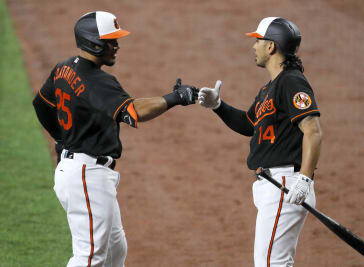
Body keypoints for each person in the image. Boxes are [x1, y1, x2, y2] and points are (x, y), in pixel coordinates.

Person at [32, 11, 198, 267]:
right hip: (86, 175)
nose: (117, 45)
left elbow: (41, 105)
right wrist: (175, 98)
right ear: (94, 42)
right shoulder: (97, 80)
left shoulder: (64, 68)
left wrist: (62, 138)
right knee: (90, 257)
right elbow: (134, 111)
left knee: (114, 248)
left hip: (82, 171)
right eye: (111, 40)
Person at [198, 17, 322, 267]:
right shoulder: (271, 88)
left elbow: (312, 130)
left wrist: (305, 179)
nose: (253, 46)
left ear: (271, 47)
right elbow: (249, 124)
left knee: (270, 264)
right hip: (274, 185)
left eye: (258, 41)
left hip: (286, 184)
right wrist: (218, 106)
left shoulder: (291, 81)